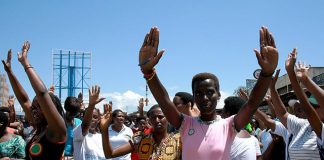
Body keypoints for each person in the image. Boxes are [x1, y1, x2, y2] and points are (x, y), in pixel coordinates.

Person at [137, 26, 278, 159]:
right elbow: (164, 100)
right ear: (193, 96)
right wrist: (148, 72)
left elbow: (251, 104)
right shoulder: (185, 124)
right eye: (198, 93)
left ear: (219, 95)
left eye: (210, 92)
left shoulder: (229, 125)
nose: (204, 98)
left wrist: (267, 73)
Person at [2, 42, 67, 160]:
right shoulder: (39, 128)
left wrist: (25, 63)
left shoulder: (57, 130)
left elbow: (42, 94)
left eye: (39, 107)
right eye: (34, 107)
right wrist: (9, 72)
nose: (33, 110)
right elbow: (24, 100)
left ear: (50, 108)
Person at [100, 104, 182, 159]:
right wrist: (104, 130)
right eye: (153, 117)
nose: (157, 120)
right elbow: (109, 154)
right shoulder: (140, 139)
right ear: (149, 120)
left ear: (167, 118)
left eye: (160, 117)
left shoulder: (178, 141)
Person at [73, 85, 106, 160]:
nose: (92, 119)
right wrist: (91, 105)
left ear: (98, 119)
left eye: (95, 117)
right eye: (90, 117)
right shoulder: (78, 133)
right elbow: (85, 125)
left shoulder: (102, 137)